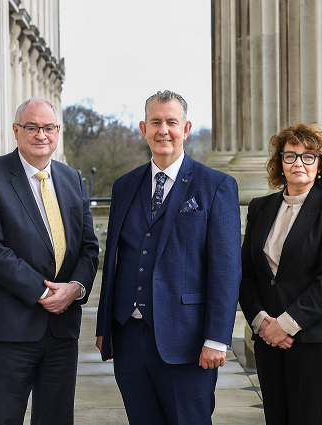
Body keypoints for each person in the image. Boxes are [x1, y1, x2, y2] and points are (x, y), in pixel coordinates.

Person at [95, 90, 242, 424]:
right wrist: (106, 325)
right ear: (143, 128)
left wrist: (218, 338)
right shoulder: (124, 186)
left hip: (187, 341)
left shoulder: (216, 186)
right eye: (156, 122)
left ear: (186, 128)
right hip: (129, 339)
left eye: (171, 122)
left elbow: (226, 269)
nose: (164, 130)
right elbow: (115, 261)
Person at [0, 97, 99, 425]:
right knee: (3, 419)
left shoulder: (72, 178)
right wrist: (44, 294)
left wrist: (75, 289)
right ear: (16, 131)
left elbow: (89, 248)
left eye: (49, 127)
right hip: (11, 328)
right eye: (32, 127)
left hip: (63, 329)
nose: (41, 134)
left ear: (58, 132)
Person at [239, 122, 322, 424]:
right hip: (270, 342)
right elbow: (247, 274)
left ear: (320, 164)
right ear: (281, 163)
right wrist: (262, 322)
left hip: (317, 342)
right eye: (290, 156)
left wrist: (285, 326)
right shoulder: (260, 208)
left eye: (308, 156)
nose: (298, 163)